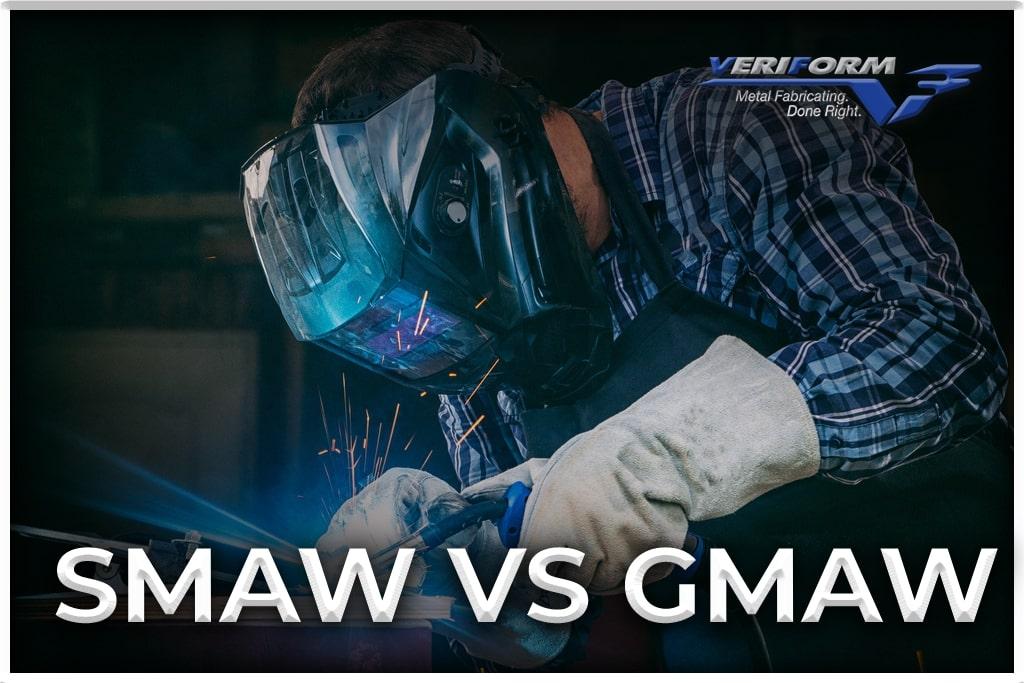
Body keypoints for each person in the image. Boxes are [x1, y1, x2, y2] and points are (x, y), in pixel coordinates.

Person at [242, 20, 1009, 669]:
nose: (466, 338)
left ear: (486, 160)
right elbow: (566, 592)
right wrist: (483, 555)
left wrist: (670, 453)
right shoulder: (471, 322)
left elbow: (946, 349)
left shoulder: (734, 132)